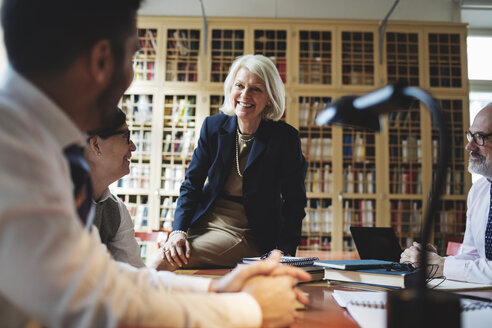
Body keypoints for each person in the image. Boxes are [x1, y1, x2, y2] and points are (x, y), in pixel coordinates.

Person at [0, 1, 311, 327]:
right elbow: (90, 304)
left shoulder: (40, 147)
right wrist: (251, 310)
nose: (133, 74)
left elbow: (99, 276)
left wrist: (215, 288)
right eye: (134, 56)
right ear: (101, 60)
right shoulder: (18, 158)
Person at [162, 54, 307, 270]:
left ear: (270, 97)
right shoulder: (213, 127)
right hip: (205, 222)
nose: (245, 95)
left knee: (162, 260)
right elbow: (191, 184)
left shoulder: (284, 138)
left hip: (247, 232)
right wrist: (178, 230)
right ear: (231, 89)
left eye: (256, 89)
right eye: (239, 85)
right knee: (167, 253)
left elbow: (295, 202)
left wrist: (284, 251)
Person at [400, 103, 492, 284]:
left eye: (480, 137)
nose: (469, 146)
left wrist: (443, 266)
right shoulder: (478, 191)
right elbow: (472, 257)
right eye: (470, 136)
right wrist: (433, 261)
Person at [86, 107, 165, 269]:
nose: (133, 147)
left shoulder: (116, 210)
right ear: (96, 145)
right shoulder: (56, 204)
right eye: (126, 137)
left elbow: (135, 275)